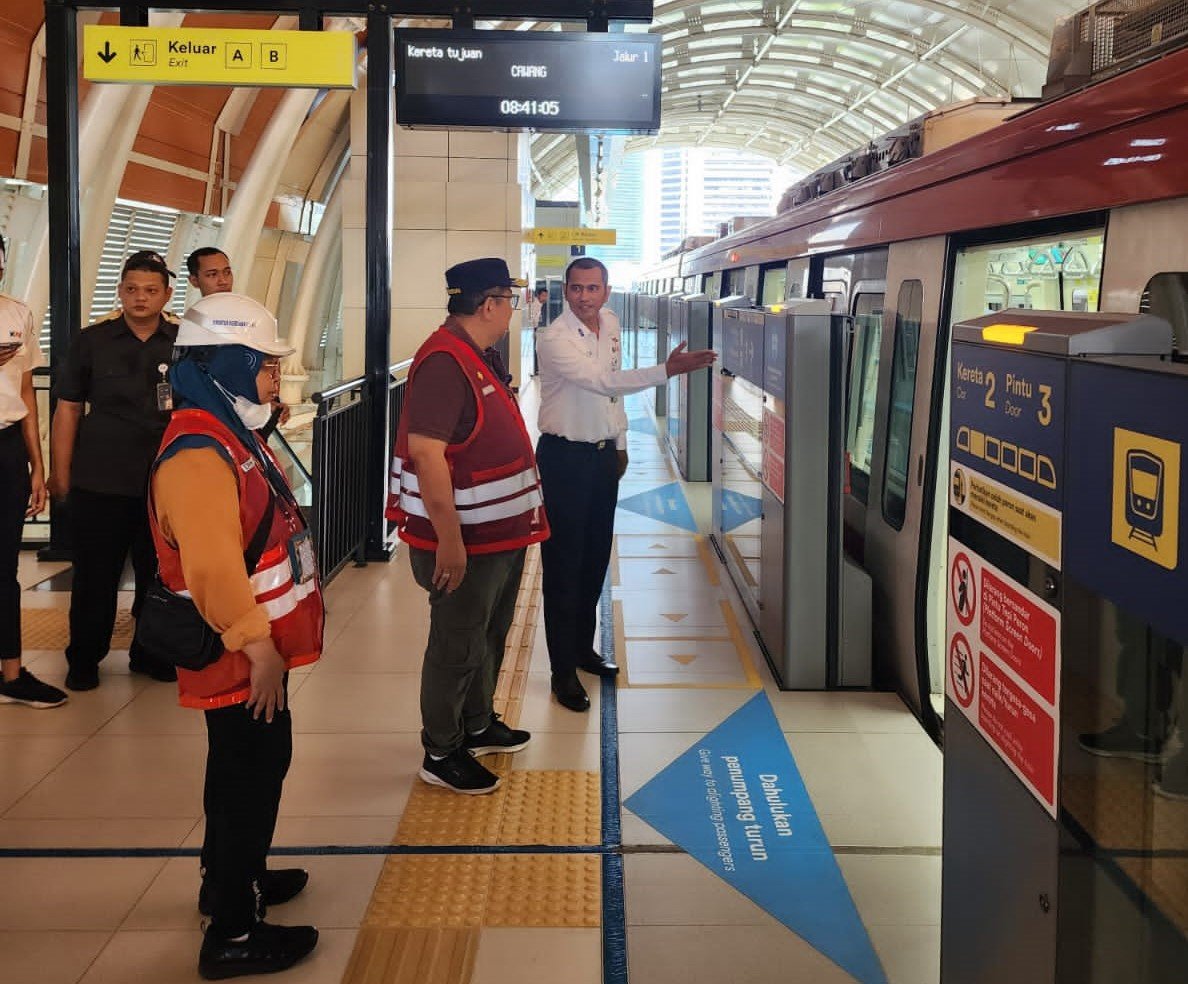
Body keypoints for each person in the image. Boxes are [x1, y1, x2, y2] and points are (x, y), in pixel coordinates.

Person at [151, 292, 321, 979]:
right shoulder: (197, 451)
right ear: (226, 362)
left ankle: (232, 876)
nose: (276, 380)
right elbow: (214, 566)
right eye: (266, 367)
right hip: (239, 654)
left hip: (251, 649)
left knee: (241, 771)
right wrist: (257, 648)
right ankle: (234, 931)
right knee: (250, 775)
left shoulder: (225, 428)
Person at [387, 257, 549, 795]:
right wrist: (449, 544)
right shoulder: (443, 363)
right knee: (456, 644)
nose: (512, 310)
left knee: (488, 634)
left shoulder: (476, 353)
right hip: (466, 542)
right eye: (510, 300)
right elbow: (427, 455)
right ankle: (442, 749)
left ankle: (477, 723)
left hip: (497, 536)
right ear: (489, 305)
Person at [535, 257, 715, 711]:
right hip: (564, 459)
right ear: (565, 291)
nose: (584, 297)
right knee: (563, 565)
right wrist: (666, 372)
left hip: (600, 459)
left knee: (595, 557)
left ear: (607, 291)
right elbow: (603, 381)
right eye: (576, 289)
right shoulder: (553, 338)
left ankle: (582, 648)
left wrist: (619, 442)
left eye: (592, 289)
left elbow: (612, 398)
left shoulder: (610, 324)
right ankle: (561, 672)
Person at [50, 251, 179, 691]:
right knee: (94, 577)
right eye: (131, 289)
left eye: (149, 290)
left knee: (158, 574)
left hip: (165, 482)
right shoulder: (92, 341)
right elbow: (67, 408)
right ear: (120, 290)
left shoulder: (184, 343)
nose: (139, 297)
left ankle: (151, 652)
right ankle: (84, 658)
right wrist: (59, 472)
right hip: (100, 478)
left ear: (166, 294)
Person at [0, 234, 67, 708]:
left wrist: (37, 465)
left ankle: (11, 671)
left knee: (5, 567)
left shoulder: (17, 313)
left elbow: (25, 394)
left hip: (6, 447)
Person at [187, 247, 290, 428]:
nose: (223, 281)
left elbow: (264, 364)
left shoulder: (248, 316)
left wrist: (271, 399)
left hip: (255, 419)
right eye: (212, 275)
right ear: (194, 281)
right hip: (218, 419)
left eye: (227, 272)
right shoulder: (194, 325)